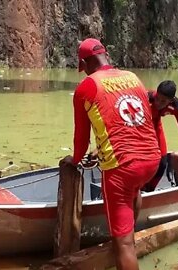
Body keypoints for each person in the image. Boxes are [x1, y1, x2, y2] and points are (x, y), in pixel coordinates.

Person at [61, 38, 161, 270]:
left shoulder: (86, 87)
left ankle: (125, 241)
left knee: (123, 246)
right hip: (152, 159)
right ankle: (128, 230)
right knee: (134, 190)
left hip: (122, 167)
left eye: (82, 67)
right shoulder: (133, 78)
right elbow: (137, 123)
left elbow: (81, 139)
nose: (83, 71)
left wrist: (73, 161)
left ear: (86, 62)